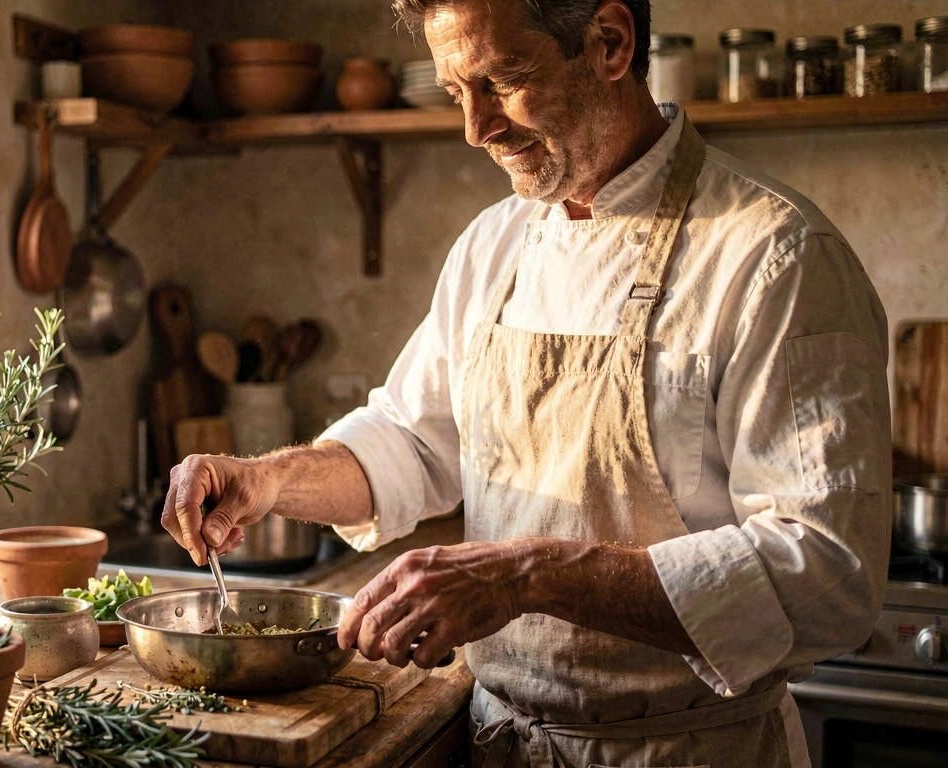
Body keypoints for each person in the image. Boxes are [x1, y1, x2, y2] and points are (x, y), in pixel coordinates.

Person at [163, 0, 891, 765]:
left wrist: (530, 575)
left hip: (687, 750)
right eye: (455, 92)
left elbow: (826, 576)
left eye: (504, 81)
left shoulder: (775, 254)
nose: (476, 128)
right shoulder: (494, 244)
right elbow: (413, 440)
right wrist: (270, 480)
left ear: (609, 43)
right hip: (501, 742)